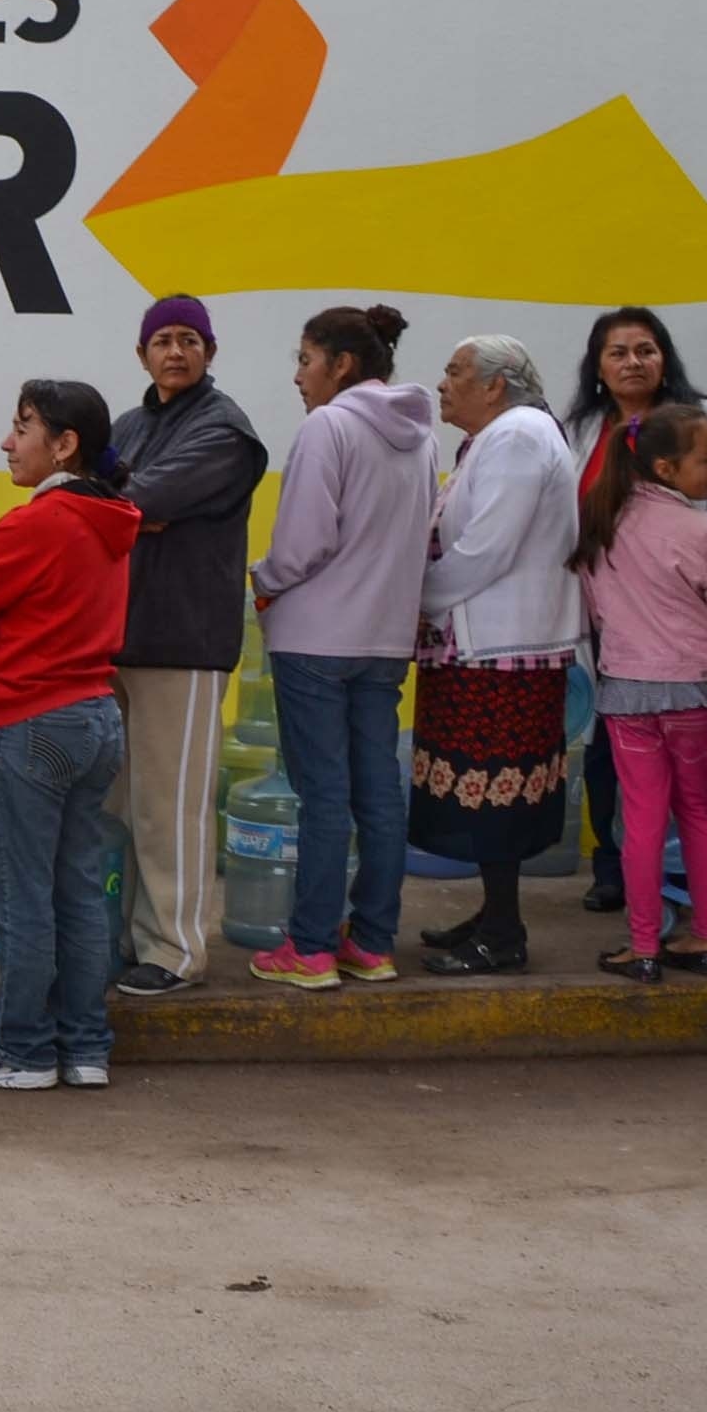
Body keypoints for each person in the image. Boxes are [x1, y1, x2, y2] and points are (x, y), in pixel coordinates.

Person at [0, 381, 141, 1089]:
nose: (6, 441)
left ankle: (19, 1049)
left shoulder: (39, 521)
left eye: (21, 427)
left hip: (30, 721)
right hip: (94, 718)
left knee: (21, 895)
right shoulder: (110, 520)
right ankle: (84, 1047)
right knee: (78, 888)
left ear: (64, 442)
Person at [246, 305, 436, 990]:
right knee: (377, 791)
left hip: (315, 638)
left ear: (342, 364)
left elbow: (303, 544)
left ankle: (311, 947)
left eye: (305, 359)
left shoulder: (329, 425)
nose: (298, 376)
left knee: (322, 795)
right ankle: (373, 942)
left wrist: (261, 582)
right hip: (384, 639)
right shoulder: (421, 435)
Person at [555, 306, 707, 913]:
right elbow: (567, 523)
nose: (633, 362)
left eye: (646, 349)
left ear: (665, 358)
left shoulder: (704, 420)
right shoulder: (582, 428)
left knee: (692, 786)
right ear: (598, 368)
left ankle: (687, 893)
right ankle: (614, 873)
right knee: (606, 755)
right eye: (618, 352)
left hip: (686, 624)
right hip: (605, 623)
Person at [102, 294, 267, 997]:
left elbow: (138, 501)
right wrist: (131, 510)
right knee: (117, 807)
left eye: (189, 340)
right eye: (163, 340)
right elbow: (100, 500)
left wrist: (134, 509)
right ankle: (122, 937)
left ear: (210, 353)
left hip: (185, 643)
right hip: (118, 638)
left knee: (170, 808)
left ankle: (176, 951)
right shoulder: (129, 424)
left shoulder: (224, 430)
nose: (176, 352)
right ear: (141, 354)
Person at [405, 337, 581, 976]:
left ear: (495, 386)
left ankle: (503, 932)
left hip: (500, 652)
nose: (442, 383)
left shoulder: (517, 437)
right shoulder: (504, 435)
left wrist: (416, 598)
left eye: (454, 372)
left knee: (494, 794)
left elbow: (487, 549)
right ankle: (494, 915)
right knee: (482, 791)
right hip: (485, 646)